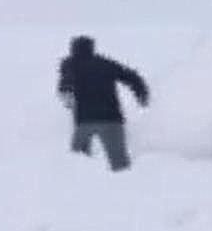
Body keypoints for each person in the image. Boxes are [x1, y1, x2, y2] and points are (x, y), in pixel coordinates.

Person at [56, 35, 149, 171]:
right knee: (120, 163)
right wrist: (142, 95)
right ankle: (127, 187)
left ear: (73, 49)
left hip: (84, 122)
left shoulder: (70, 64)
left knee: (76, 164)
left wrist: (68, 99)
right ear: (92, 48)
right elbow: (131, 76)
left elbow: (65, 86)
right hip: (111, 120)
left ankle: (79, 188)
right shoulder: (104, 64)